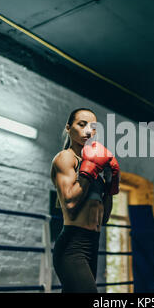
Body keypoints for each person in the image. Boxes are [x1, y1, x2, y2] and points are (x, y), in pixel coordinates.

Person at [51, 108, 120, 293]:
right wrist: (89, 170)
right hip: (72, 247)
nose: (88, 131)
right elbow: (71, 203)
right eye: (81, 125)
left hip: (92, 244)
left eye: (93, 127)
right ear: (68, 127)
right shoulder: (66, 158)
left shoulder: (95, 165)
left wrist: (110, 187)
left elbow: (103, 219)